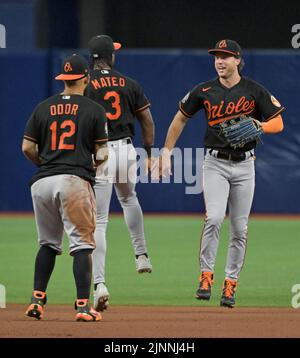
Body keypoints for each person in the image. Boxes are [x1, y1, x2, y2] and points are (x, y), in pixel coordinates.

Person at [158, 39, 284, 307]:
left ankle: (231, 283)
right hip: (214, 162)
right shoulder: (204, 90)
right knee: (214, 218)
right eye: (217, 56)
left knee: (239, 227)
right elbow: (180, 117)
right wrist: (167, 150)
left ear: (238, 60)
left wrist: (260, 126)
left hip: (244, 165)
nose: (220, 60)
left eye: (226, 56)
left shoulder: (253, 91)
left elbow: (279, 122)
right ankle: (206, 275)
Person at [22, 54, 108, 321]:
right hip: (73, 181)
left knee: (48, 243)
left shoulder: (42, 107)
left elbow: (27, 147)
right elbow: (102, 152)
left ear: (63, 79)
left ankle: (37, 301)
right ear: (86, 78)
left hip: (42, 182)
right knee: (82, 245)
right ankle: (83, 306)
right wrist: (93, 163)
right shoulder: (94, 109)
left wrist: (46, 163)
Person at [85, 35, 155, 312]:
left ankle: (100, 284)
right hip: (126, 150)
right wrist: (149, 152)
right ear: (109, 57)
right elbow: (147, 119)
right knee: (129, 199)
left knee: (99, 221)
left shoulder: (85, 84)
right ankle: (142, 255)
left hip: (100, 153)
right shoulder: (129, 82)